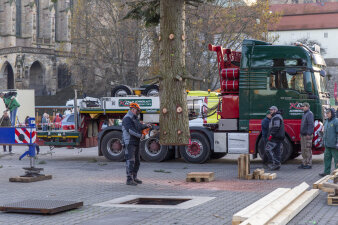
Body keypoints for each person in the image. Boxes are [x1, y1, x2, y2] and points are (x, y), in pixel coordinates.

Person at [122, 102, 151, 186]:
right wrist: (140, 136)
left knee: (137, 161)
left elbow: (138, 127)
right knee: (130, 161)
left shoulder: (135, 118)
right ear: (133, 109)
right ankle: (129, 179)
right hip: (129, 142)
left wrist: (146, 126)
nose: (138, 112)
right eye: (137, 110)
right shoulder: (127, 118)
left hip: (136, 142)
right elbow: (130, 130)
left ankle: (134, 177)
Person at [265, 106, 285, 171]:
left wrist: (271, 134)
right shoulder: (276, 116)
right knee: (277, 151)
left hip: (275, 137)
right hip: (277, 137)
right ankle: (277, 165)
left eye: (272, 110)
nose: (270, 111)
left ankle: (275, 164)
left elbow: (276, 127)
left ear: (275, 110)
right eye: (270, 110)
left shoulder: (276, 117)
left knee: (268, 149)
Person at [319, 108, 338, 177]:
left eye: (328, 113)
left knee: (337, 160)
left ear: (332, 113)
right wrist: (323, 141)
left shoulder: (336, 121)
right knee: (326, 159)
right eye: (326, 113)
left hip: (334, 145)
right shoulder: (326, 121)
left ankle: (337, 174)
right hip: (327, 145)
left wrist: (337, 143)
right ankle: (326, 172)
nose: (327, 114)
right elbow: (324, 132)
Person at [299, 102, 314, 169]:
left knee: (307, 150)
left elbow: (311, 124)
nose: (302, 107)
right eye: (302, 106)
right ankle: (304, 163)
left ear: (307, 107)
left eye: (303, 106)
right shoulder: (304, 114)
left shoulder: (309, 114)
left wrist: (309, 133)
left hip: (307, 135)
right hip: (303, 135)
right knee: (303, 149)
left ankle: (309, 164)